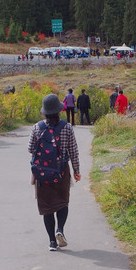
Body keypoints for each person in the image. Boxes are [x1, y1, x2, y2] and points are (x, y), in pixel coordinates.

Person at [28, 94, 81, 251]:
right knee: (62, 202)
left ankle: (52, 242)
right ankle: (60, 230)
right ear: (59, 110)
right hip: (61, 171)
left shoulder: (37, 128)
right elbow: (74, 152)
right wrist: (77, 171)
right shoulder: (67, 127)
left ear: (44, 112)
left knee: (47, 206)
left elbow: (30, 148)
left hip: (42, 173)